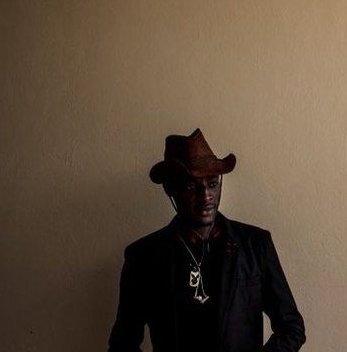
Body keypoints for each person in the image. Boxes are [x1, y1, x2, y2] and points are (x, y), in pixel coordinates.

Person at [108, 128, 306, 352]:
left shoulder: (256, 244)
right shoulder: (143, 256)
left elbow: (291, 327)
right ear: (170, 189)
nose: (206, 197)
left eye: (212, 184)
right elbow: (122, 343)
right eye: (192, 186)